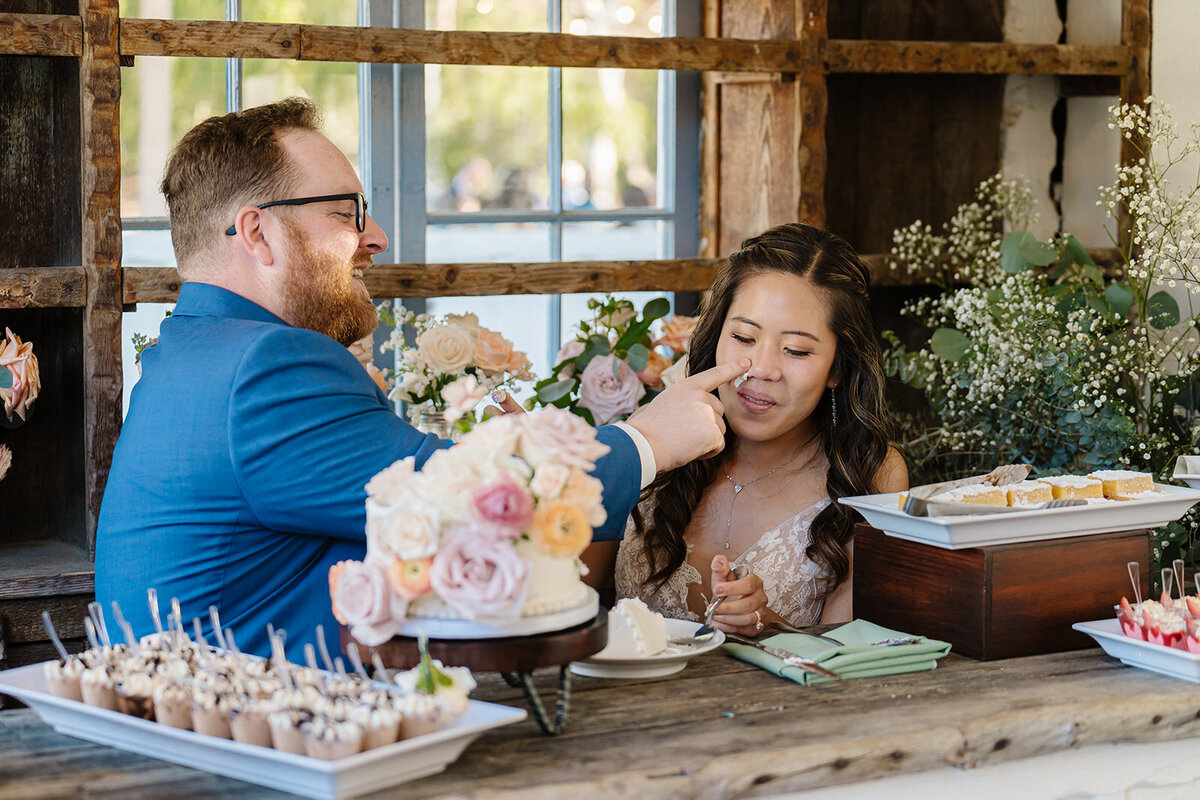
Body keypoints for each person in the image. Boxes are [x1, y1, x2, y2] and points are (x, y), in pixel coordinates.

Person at [94, 98, 752, 661]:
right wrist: (649, 440)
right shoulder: (268, 369)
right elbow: (460, 506)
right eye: (344, 212)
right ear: (258, 233)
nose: (374, 236)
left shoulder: (189, 353)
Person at [593, 223, 908, 635]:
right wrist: (539, 485)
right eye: (743, 337)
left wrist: (767, 624)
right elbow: (574, 602)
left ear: (837, 368)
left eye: (796, 350)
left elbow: (849, 662)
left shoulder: (870, 471)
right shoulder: (653, 436)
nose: (761, 370)